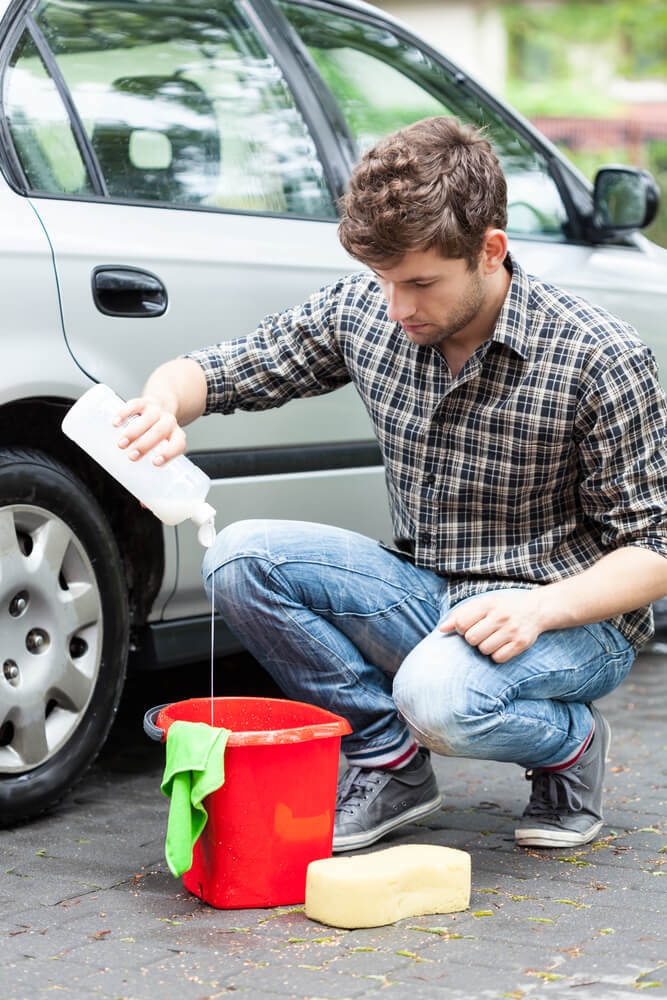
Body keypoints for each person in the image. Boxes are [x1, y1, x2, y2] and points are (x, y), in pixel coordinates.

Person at [114, 117, 667, 853]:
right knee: (239, 558)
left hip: (569, 616)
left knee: (436, 698)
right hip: (431, 590)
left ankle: (565, 742)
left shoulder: (598, 357)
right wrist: (161, 404)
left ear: (490, 250)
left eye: (419, 283)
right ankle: (389, 761)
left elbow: (654, 546)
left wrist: (543, 608)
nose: (398, 308)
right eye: (383, 281)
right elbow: (219, 369)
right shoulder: (367, 312)